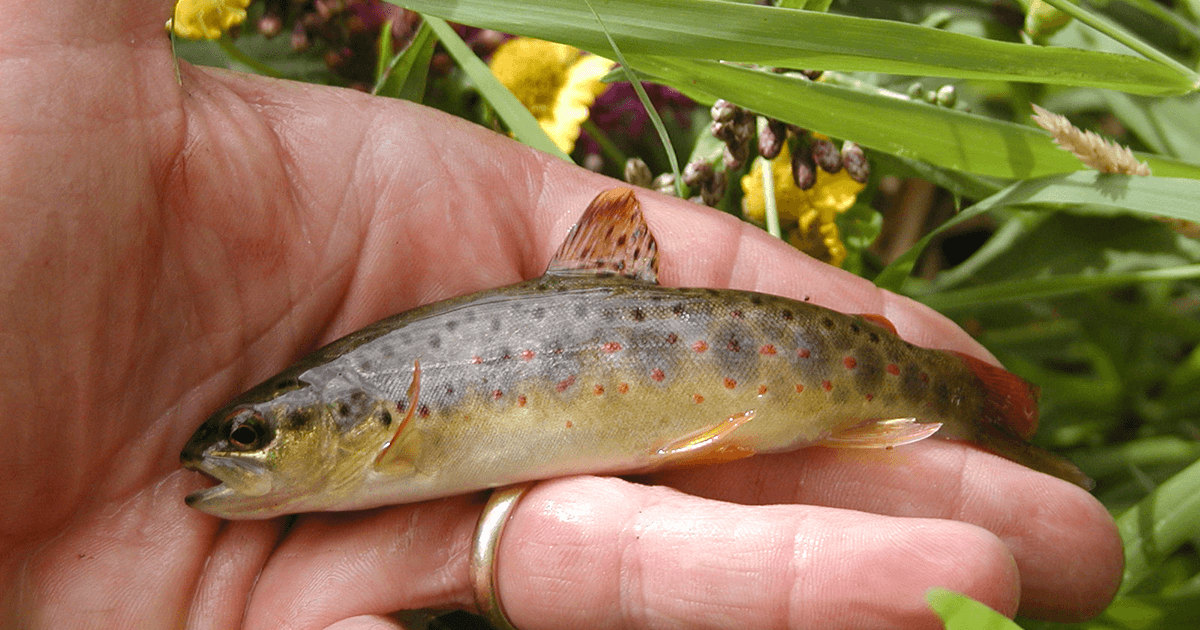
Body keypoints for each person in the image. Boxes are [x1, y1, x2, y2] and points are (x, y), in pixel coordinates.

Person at [0, 1, 1122, 628]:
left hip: (777, 371)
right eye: (249, 437)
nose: (234, 453)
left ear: (368, 418)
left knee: (952, 444)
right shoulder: (376, 401)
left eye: (254, 436)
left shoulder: (391, 405)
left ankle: (976, 408)